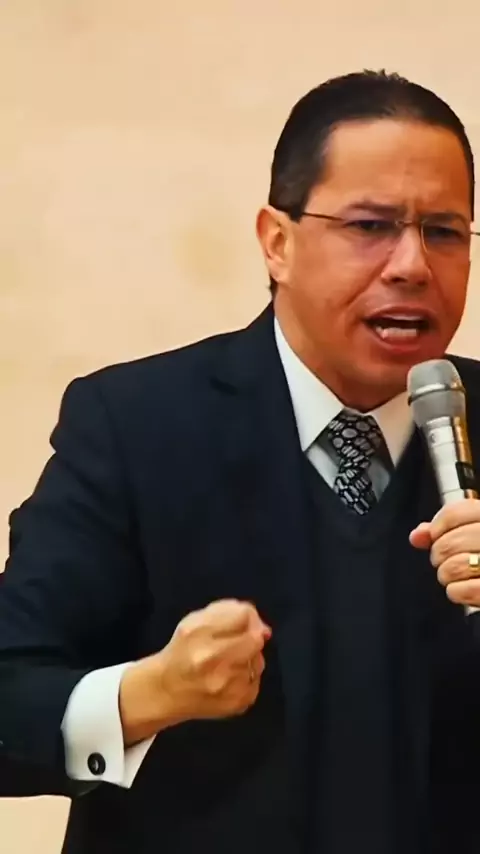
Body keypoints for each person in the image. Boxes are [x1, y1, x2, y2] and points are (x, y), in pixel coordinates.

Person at [1, 69, 480, 854]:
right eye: (370, 225)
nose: (412, 265)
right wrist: (147, 695)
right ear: (277, 242)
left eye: (445, 231)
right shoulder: (136, 428)